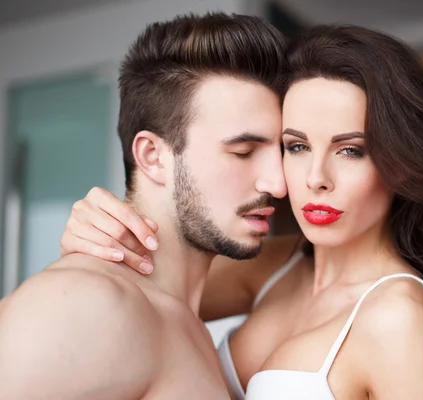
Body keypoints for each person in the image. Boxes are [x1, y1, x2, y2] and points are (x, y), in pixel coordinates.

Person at [59, 25, 423, 399]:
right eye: (296, 146)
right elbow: (131, 300)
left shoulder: (396, 316)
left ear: (401, 162)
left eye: (350, 150)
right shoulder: (277, 264)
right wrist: (98, 235)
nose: (316, 177)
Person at [0, 12, 287, 399]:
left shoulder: (186, 322)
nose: (278, 184)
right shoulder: (85, 306)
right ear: (153, 156)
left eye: (283, 151)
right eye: (243, 152)